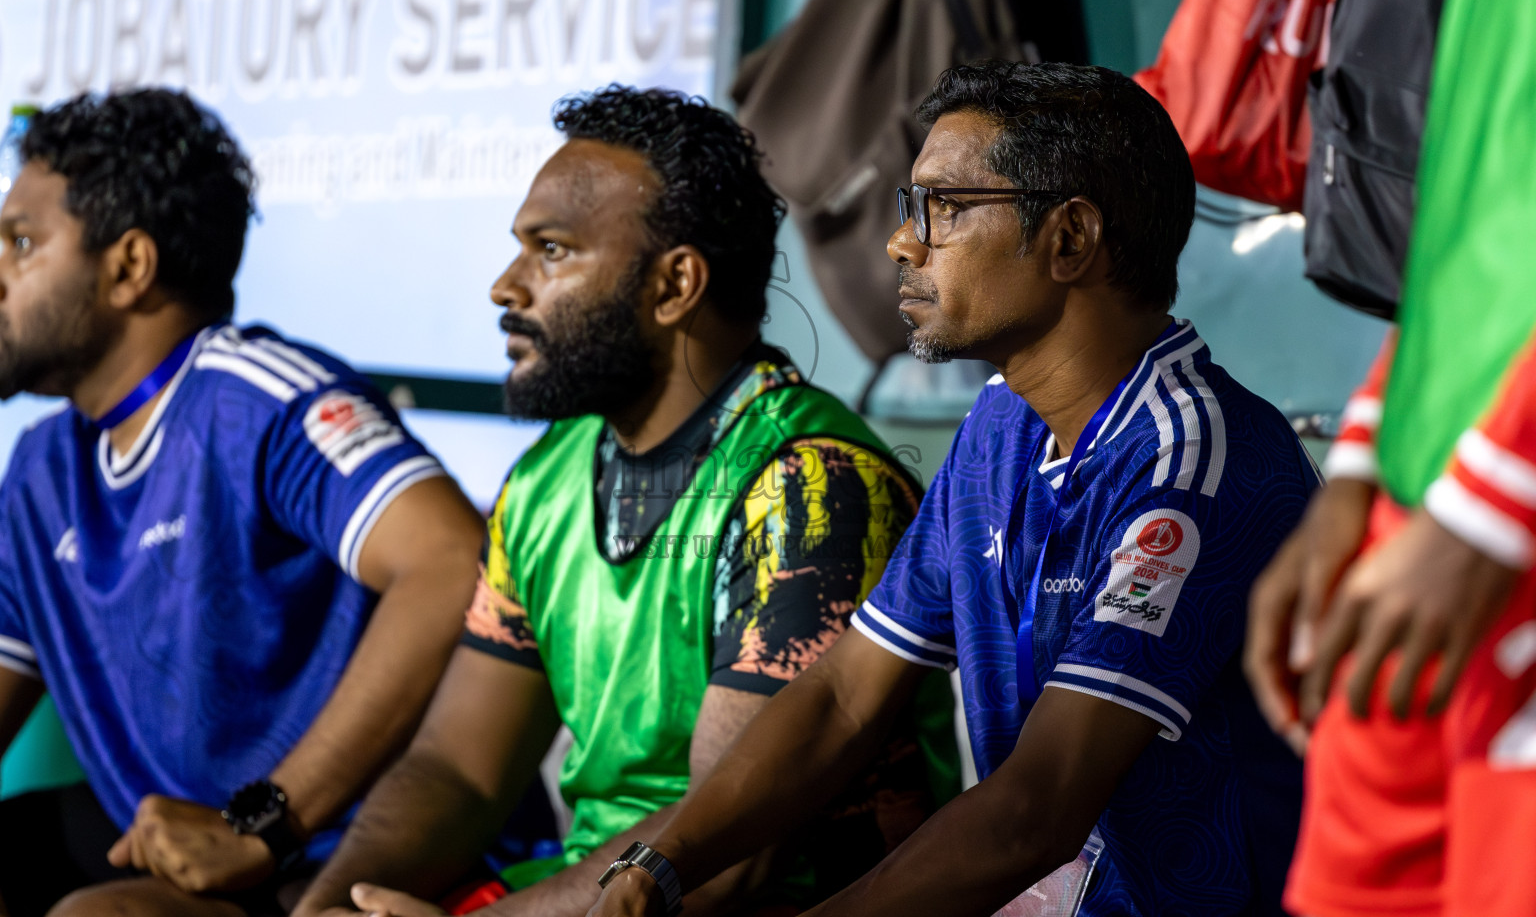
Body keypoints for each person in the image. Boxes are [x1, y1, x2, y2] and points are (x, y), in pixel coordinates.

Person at [587, 61, 1320, 917]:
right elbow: (843, 696)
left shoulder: (1190, 460)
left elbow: (1035, 811)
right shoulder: (1001, 423)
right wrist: (659, 861)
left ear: (1069, 240)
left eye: (945, 207)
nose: (904, 242)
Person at [290, 86, 958, 917]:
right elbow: (457, 769)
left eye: (552, 250)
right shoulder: (545, 481)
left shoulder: (812, 488)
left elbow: (720, 855)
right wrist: (323, 909)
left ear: (675, 284)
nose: (506, 285)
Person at [0, 89, 488, 917]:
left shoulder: (253, 400)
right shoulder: (44, 466)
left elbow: (452, 559)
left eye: (21, 243)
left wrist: (267, 820)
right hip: (187, 857)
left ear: (129, 267)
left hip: (353, 857)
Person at [1246, 328, 1536, 917]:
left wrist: (1494, 498)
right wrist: (1360, 464)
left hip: (1486, 554)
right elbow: (1460, 279)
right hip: (1414, 563)